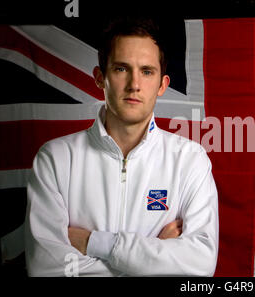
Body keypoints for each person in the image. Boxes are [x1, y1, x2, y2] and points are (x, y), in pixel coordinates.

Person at [24, 17, 219, 276]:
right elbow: (45, 268)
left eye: (147, 71)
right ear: (99, 77)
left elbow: (200, 265)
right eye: (121, 69)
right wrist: (156, 254)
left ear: (162, 85)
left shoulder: (190, 160)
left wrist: (95, 243)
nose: (134, 85)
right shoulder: (56, 159)